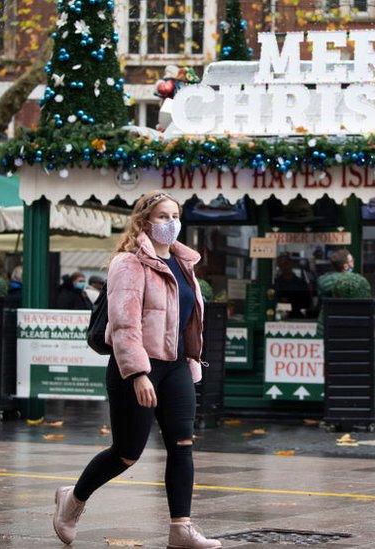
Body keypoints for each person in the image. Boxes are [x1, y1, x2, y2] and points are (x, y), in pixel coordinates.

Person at [53, 192, 218, 548]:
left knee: (182, 446)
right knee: (127, 453)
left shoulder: (183, 263)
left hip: (175, 367)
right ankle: (73, 500)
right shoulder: (128, 264)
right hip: (137, 368)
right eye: (162, 216)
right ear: (144, 222)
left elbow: (189, 320)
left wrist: (191, 361)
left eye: (175, 215)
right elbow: (124, 325)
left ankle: (181, 529)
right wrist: (138, 373)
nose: (170, 222)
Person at [273, 254, 312, 319]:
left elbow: (307, 304)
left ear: (291, 264)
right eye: (281, 265)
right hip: (279, 318)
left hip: (297, 318)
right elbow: (273, 302)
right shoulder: (276, 284)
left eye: (286, 263)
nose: (284, 267)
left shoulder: (301, 284)